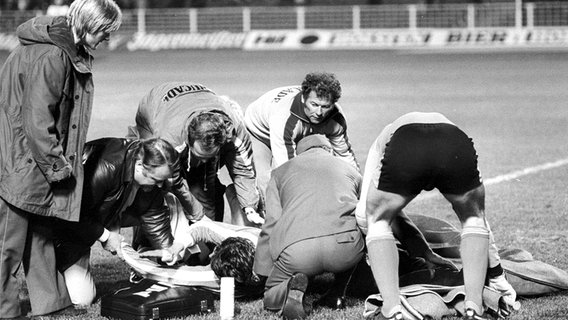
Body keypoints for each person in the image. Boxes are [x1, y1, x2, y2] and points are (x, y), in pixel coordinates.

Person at [0, 1, 122, 318]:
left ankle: (52, 304)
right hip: (21, 161)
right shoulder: (52, 55)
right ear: (86, 24)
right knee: (8, 245)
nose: (108, 40)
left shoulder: (60, 49)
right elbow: (38, 122)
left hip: (31, 160)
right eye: (105, 32)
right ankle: (5, 310)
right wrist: (59, 169)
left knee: (39, 234)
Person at [362, 112, 516, 320]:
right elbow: (482, 219)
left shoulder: (382, 141)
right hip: (453, 141)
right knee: (473, 219)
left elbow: (365, 215)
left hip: (406, 145)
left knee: (377, 220)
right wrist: (496, 275)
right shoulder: (446, 125)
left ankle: (392, 310)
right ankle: (474, 307)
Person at [51, 137, 191, 306]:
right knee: (81, 299)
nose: (160, 185)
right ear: (139, 165)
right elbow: (72, 214)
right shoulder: (105, 168)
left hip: (108, 212)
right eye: (156, 180)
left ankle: (157, 262)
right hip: (67, 224)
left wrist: (168, 252)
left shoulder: (151, 177)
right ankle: (50, 270)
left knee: (170, 201)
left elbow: (154, 214)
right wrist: (105, 236)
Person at [252, 134, 364, 319]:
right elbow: (365, 215)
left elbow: (271, 222)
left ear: (298, 152)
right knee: (357, 232)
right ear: (329, 150)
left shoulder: (280, 172)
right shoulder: (350, 169)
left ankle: (288, 289)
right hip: (345, 248)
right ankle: (338, 292)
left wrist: (263, 271)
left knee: (271, 294)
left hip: (297, 252)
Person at [127, 82, 263, 226]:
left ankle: (210, 243)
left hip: (199, 103)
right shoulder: (169, 140)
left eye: (208, 156)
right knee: (153, 182)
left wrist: (250, 208)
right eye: (199, 155)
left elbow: (245, 171)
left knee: (204, 184)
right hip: (154, 106)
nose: (203, 161)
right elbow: (175, 183)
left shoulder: (236, 133)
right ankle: (145, 240)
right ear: (188, 140)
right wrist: (198, 216)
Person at [244, 72, 360, 195]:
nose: (319, 113)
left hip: (299, 130)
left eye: (326, 106)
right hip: (259, 131)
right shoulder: (283, 118)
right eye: (314, 105)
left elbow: (344, 156)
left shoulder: (336, 119)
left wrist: (358, 191)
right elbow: (286, 168)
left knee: (319, 172)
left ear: (333, 103)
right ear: (304, 99)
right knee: (266, 181)